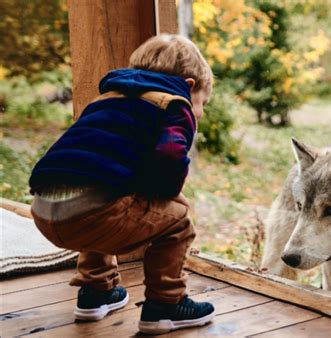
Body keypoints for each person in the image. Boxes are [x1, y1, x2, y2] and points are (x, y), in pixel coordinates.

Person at [28, 34, 214, 335]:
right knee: (178, 220)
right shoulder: (174, 104)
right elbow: (169, 154)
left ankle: (96, 292)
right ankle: (166, 305)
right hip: (92, 214)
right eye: (203, 103)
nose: (200, 111)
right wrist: (168, 193)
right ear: (190, 85)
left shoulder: (108, 98)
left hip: (43, 211)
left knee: (104, 190)